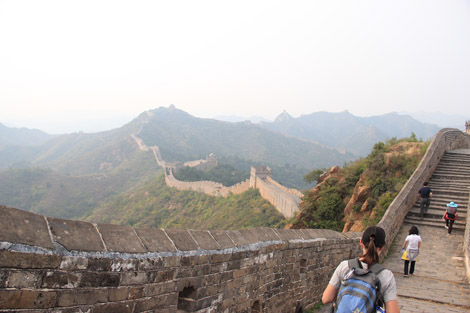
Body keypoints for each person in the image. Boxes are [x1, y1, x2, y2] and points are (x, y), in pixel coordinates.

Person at [322, 226, 400, 313]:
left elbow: (326, 298)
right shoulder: (387, 275)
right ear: (381, 247)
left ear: (361, 243)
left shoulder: (345, 266)